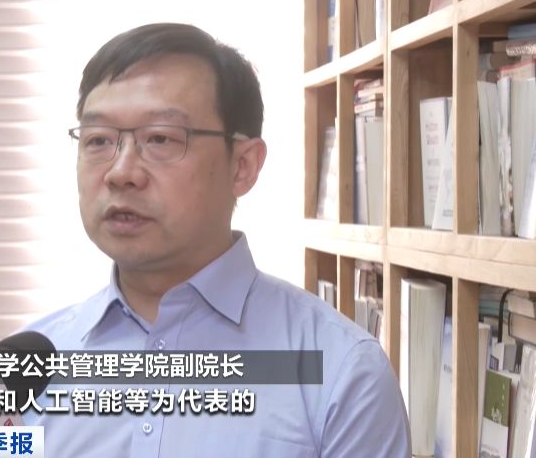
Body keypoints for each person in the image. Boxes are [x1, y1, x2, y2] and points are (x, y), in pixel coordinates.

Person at [22, 23, 411, 457]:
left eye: (160, 139)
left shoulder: (341, 373)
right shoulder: (23, 370)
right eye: (98, 140)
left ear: (243, 166)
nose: (121, 172)